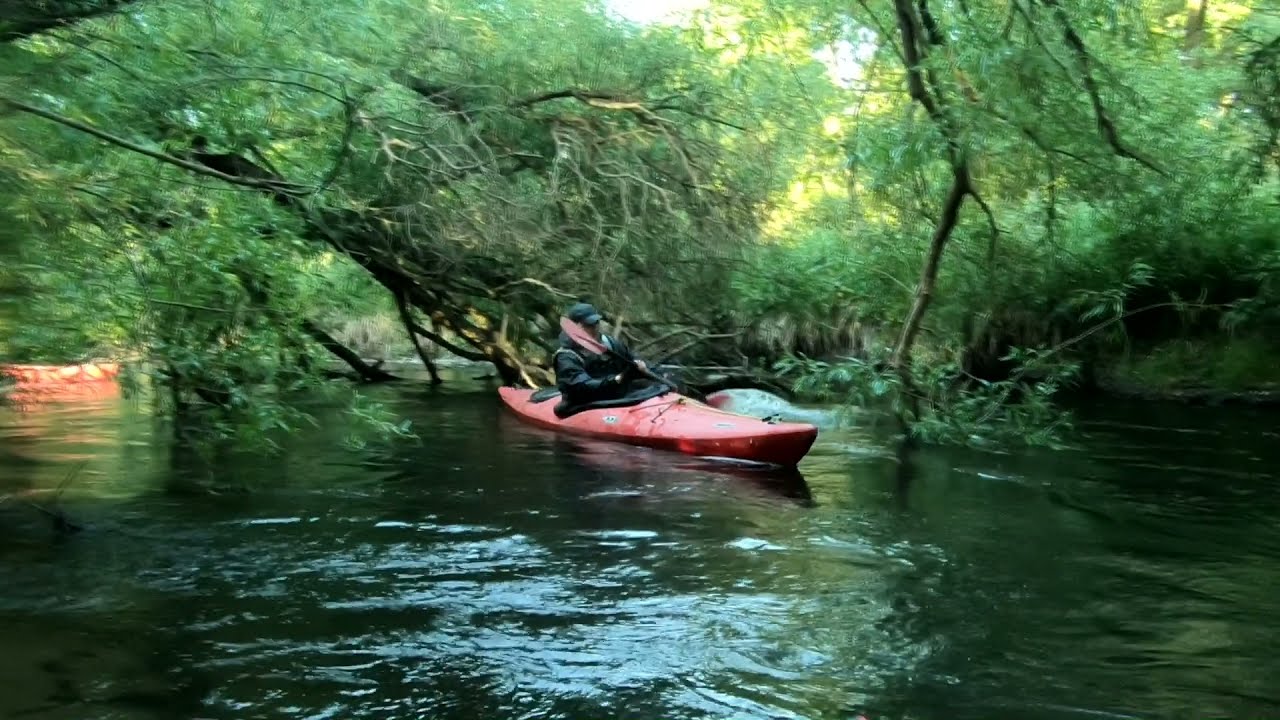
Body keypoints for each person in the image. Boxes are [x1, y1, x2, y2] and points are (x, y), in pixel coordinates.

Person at [553, 302, 650, 413]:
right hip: (584, 403)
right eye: (589, 325)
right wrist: (616, 380)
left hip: (619, 398)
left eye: (596, 323)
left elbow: (631, 357)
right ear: (575, 327)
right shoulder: (566, 356)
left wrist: (641, 364)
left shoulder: (610, 343)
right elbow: (582, 386)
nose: (595, 328)